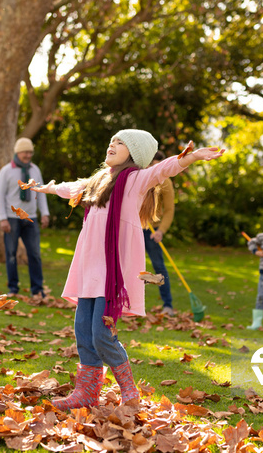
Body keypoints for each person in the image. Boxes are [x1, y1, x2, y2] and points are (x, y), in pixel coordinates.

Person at [32, 129, 224, 410]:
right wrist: (46, 188)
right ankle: (86, 393)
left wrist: (191, 158)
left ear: (134, 154)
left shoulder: (134, 180)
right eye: (112, 140)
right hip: (89, 267)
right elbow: (74, 187)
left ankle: (129, 391)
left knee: (101, 333)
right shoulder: (99, 180)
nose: (112, 143)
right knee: (83, 330)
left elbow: (163, 170)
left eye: (120, 142)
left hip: (113, 271)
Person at [0, 137, 50, 299]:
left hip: (31, 218)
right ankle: (13, 288)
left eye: (30, 152)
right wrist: (3, 218)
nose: (28, 155)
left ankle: (37, 289)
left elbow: (41, 193)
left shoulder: (35, 170)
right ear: (18, 152)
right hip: (12, 218)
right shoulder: (6, 171)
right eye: (25, 152)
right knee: (11, 253)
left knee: (34, 254)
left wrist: (44, 213)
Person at [143, 151, 175, 316]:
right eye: (150, 165)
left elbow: (169, 210)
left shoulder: (165, 182)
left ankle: (168, 305)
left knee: (159, 266)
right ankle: (129, 304)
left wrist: (161, 231)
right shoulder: (140, 177)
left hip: (152, 230)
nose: (153, 169)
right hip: (135, 225)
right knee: (130, 265)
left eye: (157, 166)